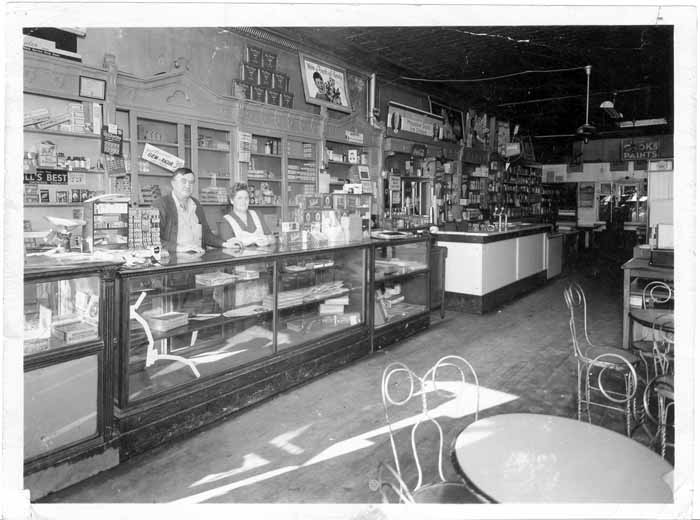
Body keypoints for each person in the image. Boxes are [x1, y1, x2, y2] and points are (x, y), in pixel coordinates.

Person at [152, 167, 241, 254]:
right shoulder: (161, 204)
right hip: (174, 261)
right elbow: (154, 240)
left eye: (191, 182)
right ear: (173, 183)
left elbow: (206, 234)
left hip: (198, 258)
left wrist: (225, 244)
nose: (188, 185)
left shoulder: (196, 204)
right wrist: (180, 248)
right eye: (183, 181)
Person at [220, 182, 274, 247]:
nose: (243, 201)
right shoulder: (226, 220)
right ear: (232, 200)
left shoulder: (257, 214)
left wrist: (268, 240)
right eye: (239, 198)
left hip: (262, 255)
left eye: (246, 198)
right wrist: (255, 240)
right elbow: (231, 245)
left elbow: (272, 238)